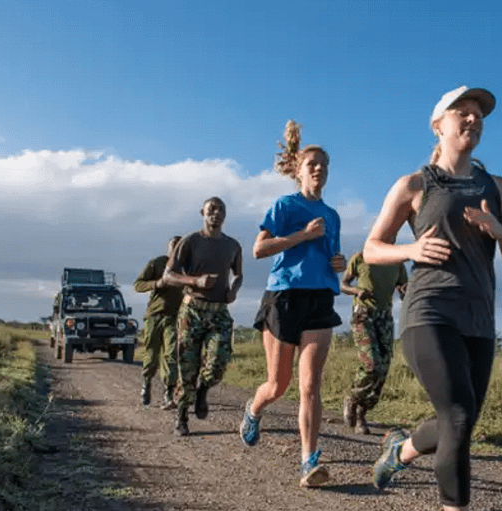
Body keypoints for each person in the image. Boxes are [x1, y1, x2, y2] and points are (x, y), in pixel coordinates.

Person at [365, 86, 502, 511]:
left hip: (478, 318)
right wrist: (410, 253)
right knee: (456, 413)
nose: (473, 119)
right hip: (427, 312)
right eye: (463, 112)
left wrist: (497, 229)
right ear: (439, 125)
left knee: (461, 421)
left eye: (479, 114)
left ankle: (402, 449)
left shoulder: (501, 188)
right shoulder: (415, 185)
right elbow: (373, 247)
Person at [241, 120, 346, 488]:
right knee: (278, 385)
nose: (318, 168)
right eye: (311, 163)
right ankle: (254, 410)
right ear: (298, 171)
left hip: (319, 297)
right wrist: (302, 235)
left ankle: (309, 461)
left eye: (324, 164)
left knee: (310, 386)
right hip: (283, 295)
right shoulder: (285, 205)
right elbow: (259, 249)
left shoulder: (332, 216)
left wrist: (340, 263)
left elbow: (331, 255)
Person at [161, 197, 243, 437]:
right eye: (211, 210)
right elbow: (169, 275)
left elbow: (238, 275)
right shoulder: (189, 242)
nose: (216, 214)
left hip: (219, 311)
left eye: (221, 210)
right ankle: (182, 417)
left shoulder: (233, 245)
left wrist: (234, 290)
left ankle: (203, 389)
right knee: (187, 366)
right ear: (202, 213)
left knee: (218, 362)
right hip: (192, 310)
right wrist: (195, 281)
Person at [340, 251, 408, 434]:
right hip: (363, 315)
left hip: (385, 317)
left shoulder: (397, 261)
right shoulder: (361, 257)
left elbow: (403, 288)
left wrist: (405, 290)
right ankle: (353, 399)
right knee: (371, 363)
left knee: (383, 369)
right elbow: (343, 284)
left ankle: (362, 412)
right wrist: (357, 291)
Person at [133, 236, 184, 409]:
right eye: (173, 247)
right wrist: (157, 283)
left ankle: (168, 395)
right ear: (168, 249)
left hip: (173, 317)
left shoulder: (187, 268)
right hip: (154, 316)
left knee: (171, 354)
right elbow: (137, 285)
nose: (176, 250)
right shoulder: (157, 263)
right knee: (151, 354)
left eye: (180, 247)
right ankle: (146, 384)